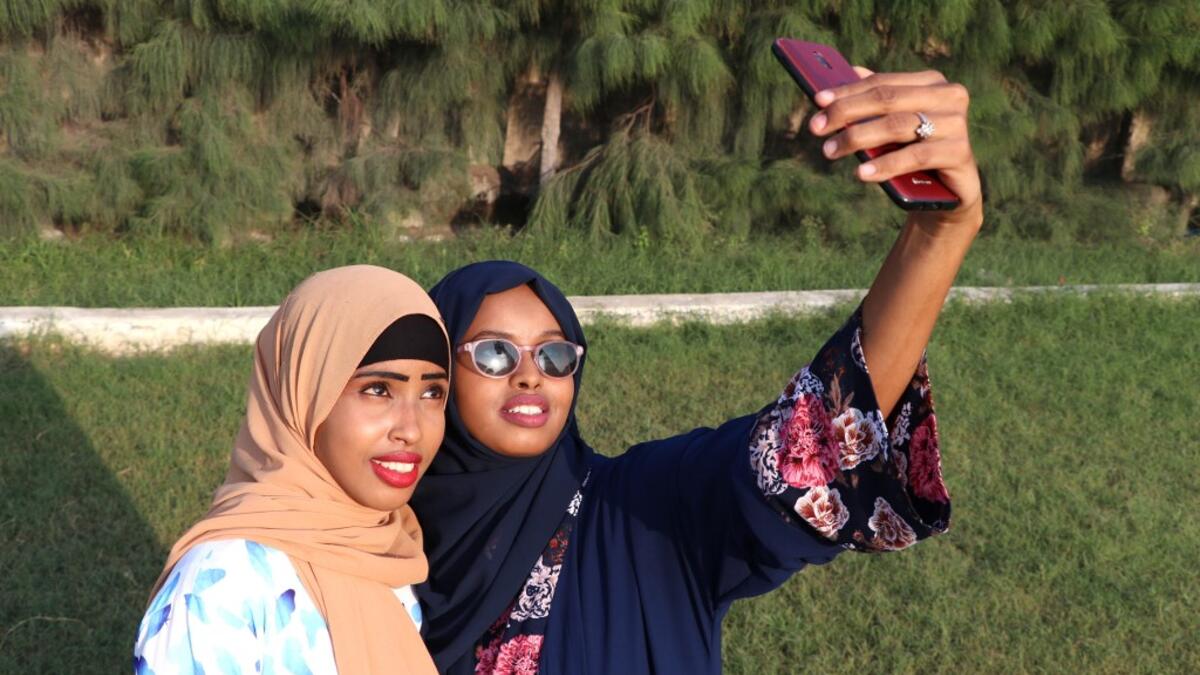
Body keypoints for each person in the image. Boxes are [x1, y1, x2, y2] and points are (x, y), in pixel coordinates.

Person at [410, 66, 981, 674]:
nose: (530, 376)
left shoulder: (644, 514)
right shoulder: (373, 541)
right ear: (437, 376)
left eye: (554, 356)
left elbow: (807, 444)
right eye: (495, 353)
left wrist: (939, 233)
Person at [133, 265, 449, 674]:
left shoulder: (389, 550)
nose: (412, 429)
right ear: (304, 394)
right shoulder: (224, 583)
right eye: (377, 390)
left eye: (431, 392)